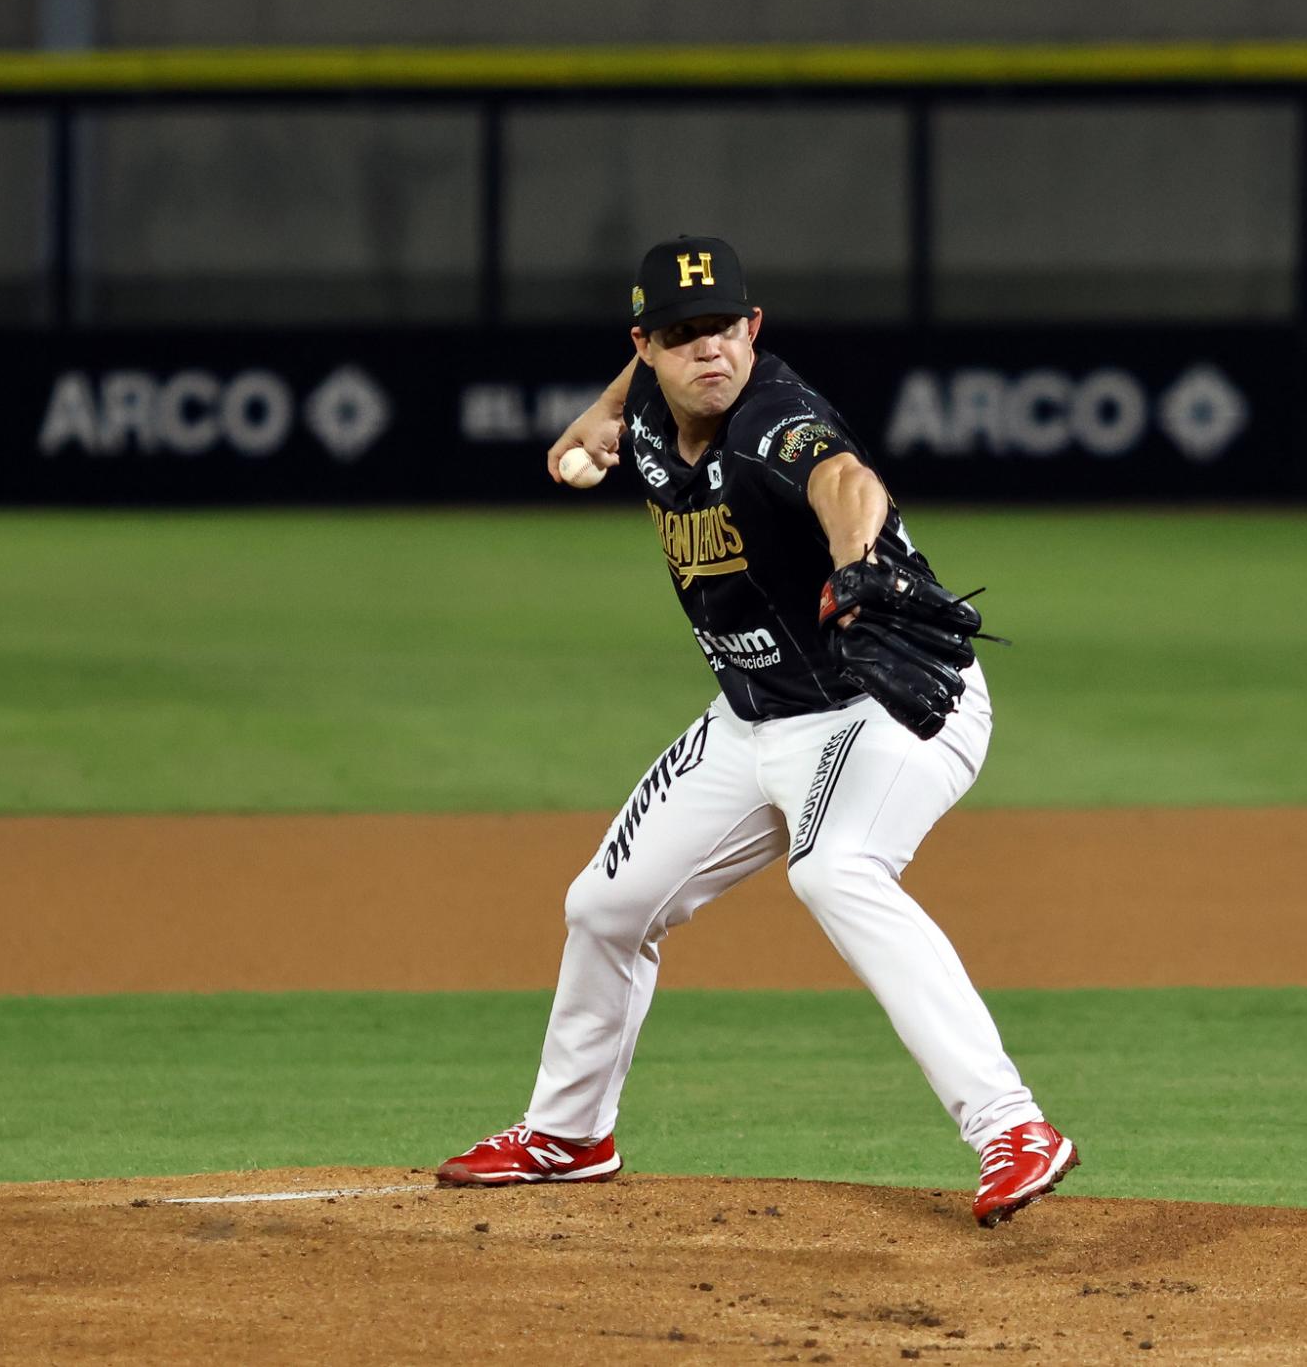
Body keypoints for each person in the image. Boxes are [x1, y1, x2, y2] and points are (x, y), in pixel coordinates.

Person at [437, 235, 1077, 1226]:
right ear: (645, 344)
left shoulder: (772, 421)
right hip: (750, 718)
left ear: (755, 328)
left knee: (837, 868)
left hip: (887, 706)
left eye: (726, 328)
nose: (711, 352)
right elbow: (640, 382)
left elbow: (843, 480)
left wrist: (859, 558)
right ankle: (568, 1134)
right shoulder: (651, 398)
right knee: (604, 905)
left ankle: (1010, 1124)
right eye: (684, 334)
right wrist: (599, 415)